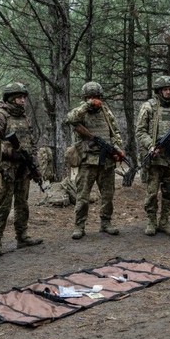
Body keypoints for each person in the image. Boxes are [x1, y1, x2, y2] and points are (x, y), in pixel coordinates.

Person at [0, 82, 43, 256]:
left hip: (24, 168)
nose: (22, 100)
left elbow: (31, 143)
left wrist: (34, 164)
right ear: (10, 98)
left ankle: (22, 236)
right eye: (19, 97)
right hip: (6, 169)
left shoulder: (24, 117)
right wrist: (12, 153)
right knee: (3, 205)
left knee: (22, 203)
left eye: (24, 97)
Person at [65, 81, 125, 239]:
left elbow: (115, 132)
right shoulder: (81, 112)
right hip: (87, 161)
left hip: (106, 162)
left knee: (108, 195)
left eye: (97, 97)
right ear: (86, 98)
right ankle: (79, 226)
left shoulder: (106, 112)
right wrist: (87, 105)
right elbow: (70, 119)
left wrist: (118, 147)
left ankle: (106, 223)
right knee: (82, 197)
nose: (95, 100)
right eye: (91, 97)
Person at [135, 75, 170, 236]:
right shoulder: (149, 107)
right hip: (154, 156)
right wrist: (151, 146)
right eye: (165, 89)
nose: (168, 92)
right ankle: (151, 221)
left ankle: (164, 221)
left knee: (169, 190)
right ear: (159, 91)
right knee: (152, 192)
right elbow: (140, 131)